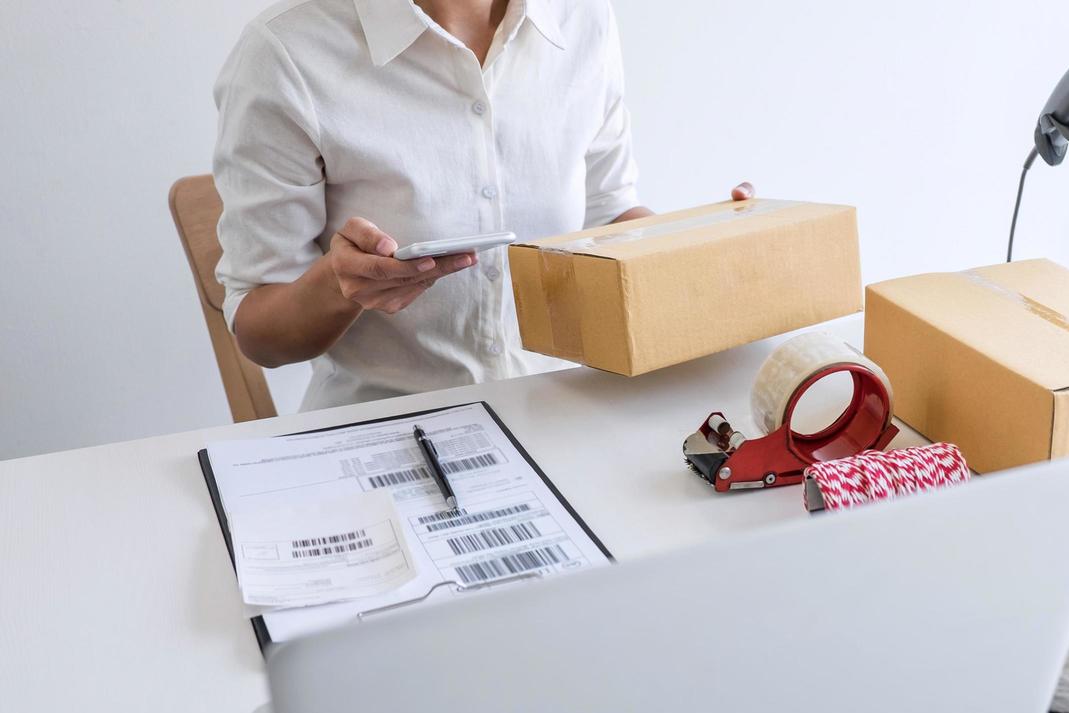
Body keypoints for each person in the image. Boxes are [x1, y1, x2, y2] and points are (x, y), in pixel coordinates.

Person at [213, 0, 750, 410]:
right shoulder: (287, 52)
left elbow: (608, 217)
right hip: (388, 427)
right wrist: (340, 284)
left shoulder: (580, 17)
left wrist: (711, 249)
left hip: (570, 410)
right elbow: (260, 331)